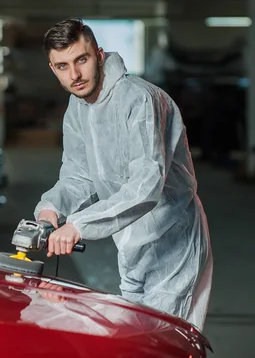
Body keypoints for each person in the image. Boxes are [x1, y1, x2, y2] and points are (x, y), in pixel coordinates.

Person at [33, 18, 213, 331]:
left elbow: (146, 185)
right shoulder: (78, 107)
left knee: (163, 340)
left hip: (172, 238)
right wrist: (52, 207)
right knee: (133, 336)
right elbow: (79, 176)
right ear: (53, 68)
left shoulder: (139, 98)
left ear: (99, 55)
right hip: (131, 241)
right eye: (62, 66)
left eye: (82, 60)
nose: (74, 75)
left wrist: (79, 225)